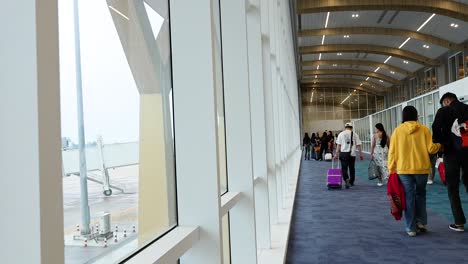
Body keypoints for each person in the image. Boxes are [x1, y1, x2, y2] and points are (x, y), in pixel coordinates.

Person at [388, 106, 441, 237]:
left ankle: (411, 228)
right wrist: (440, 145)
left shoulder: (397, 131)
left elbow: (392, 151)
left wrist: (391, 168)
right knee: (421, 194)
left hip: (403, 169)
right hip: (422, 169)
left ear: (403, 116)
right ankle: (422, 222)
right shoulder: (424, 130)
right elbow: (431, 149)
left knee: (409, 196)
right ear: (416, 115)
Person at [432, 92, 468, 232]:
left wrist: (442, 143)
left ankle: (459, 222)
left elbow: (435, 129)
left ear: (446, 101)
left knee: (452, 187)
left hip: (451, 153)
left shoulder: (443, 111)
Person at [334, 123, 364, 189]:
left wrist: (336, 154)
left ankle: (346, 179)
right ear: (351, 127)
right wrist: (361, 154)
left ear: (345, 127)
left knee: (344, 168)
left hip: (343, 153)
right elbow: (358, 145)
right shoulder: (355, 134)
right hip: (352, 154)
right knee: (352, 168)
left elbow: (338, 145)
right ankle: (351, 182)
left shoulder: (341, 134)